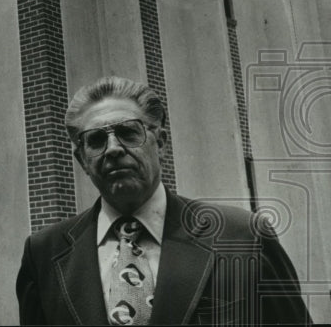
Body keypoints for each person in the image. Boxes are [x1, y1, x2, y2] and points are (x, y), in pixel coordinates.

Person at [16, 76, 312, 325]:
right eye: (96, 140)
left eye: (128, 132)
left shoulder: (243, 237)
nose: (113, 149)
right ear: (82, 159)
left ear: (161, 142)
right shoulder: (43, 253)